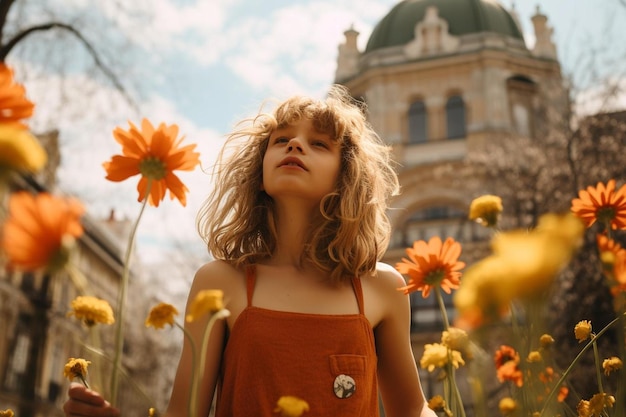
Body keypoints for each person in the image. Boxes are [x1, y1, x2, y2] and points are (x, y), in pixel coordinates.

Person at [63, 85, 437, 417]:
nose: (295, 145)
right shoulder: (220, 282)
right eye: (281, 139)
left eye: (319, 143)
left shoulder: (381, 287)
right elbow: (184, 411)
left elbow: (411, 408)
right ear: (258, 170)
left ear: (347, 174)